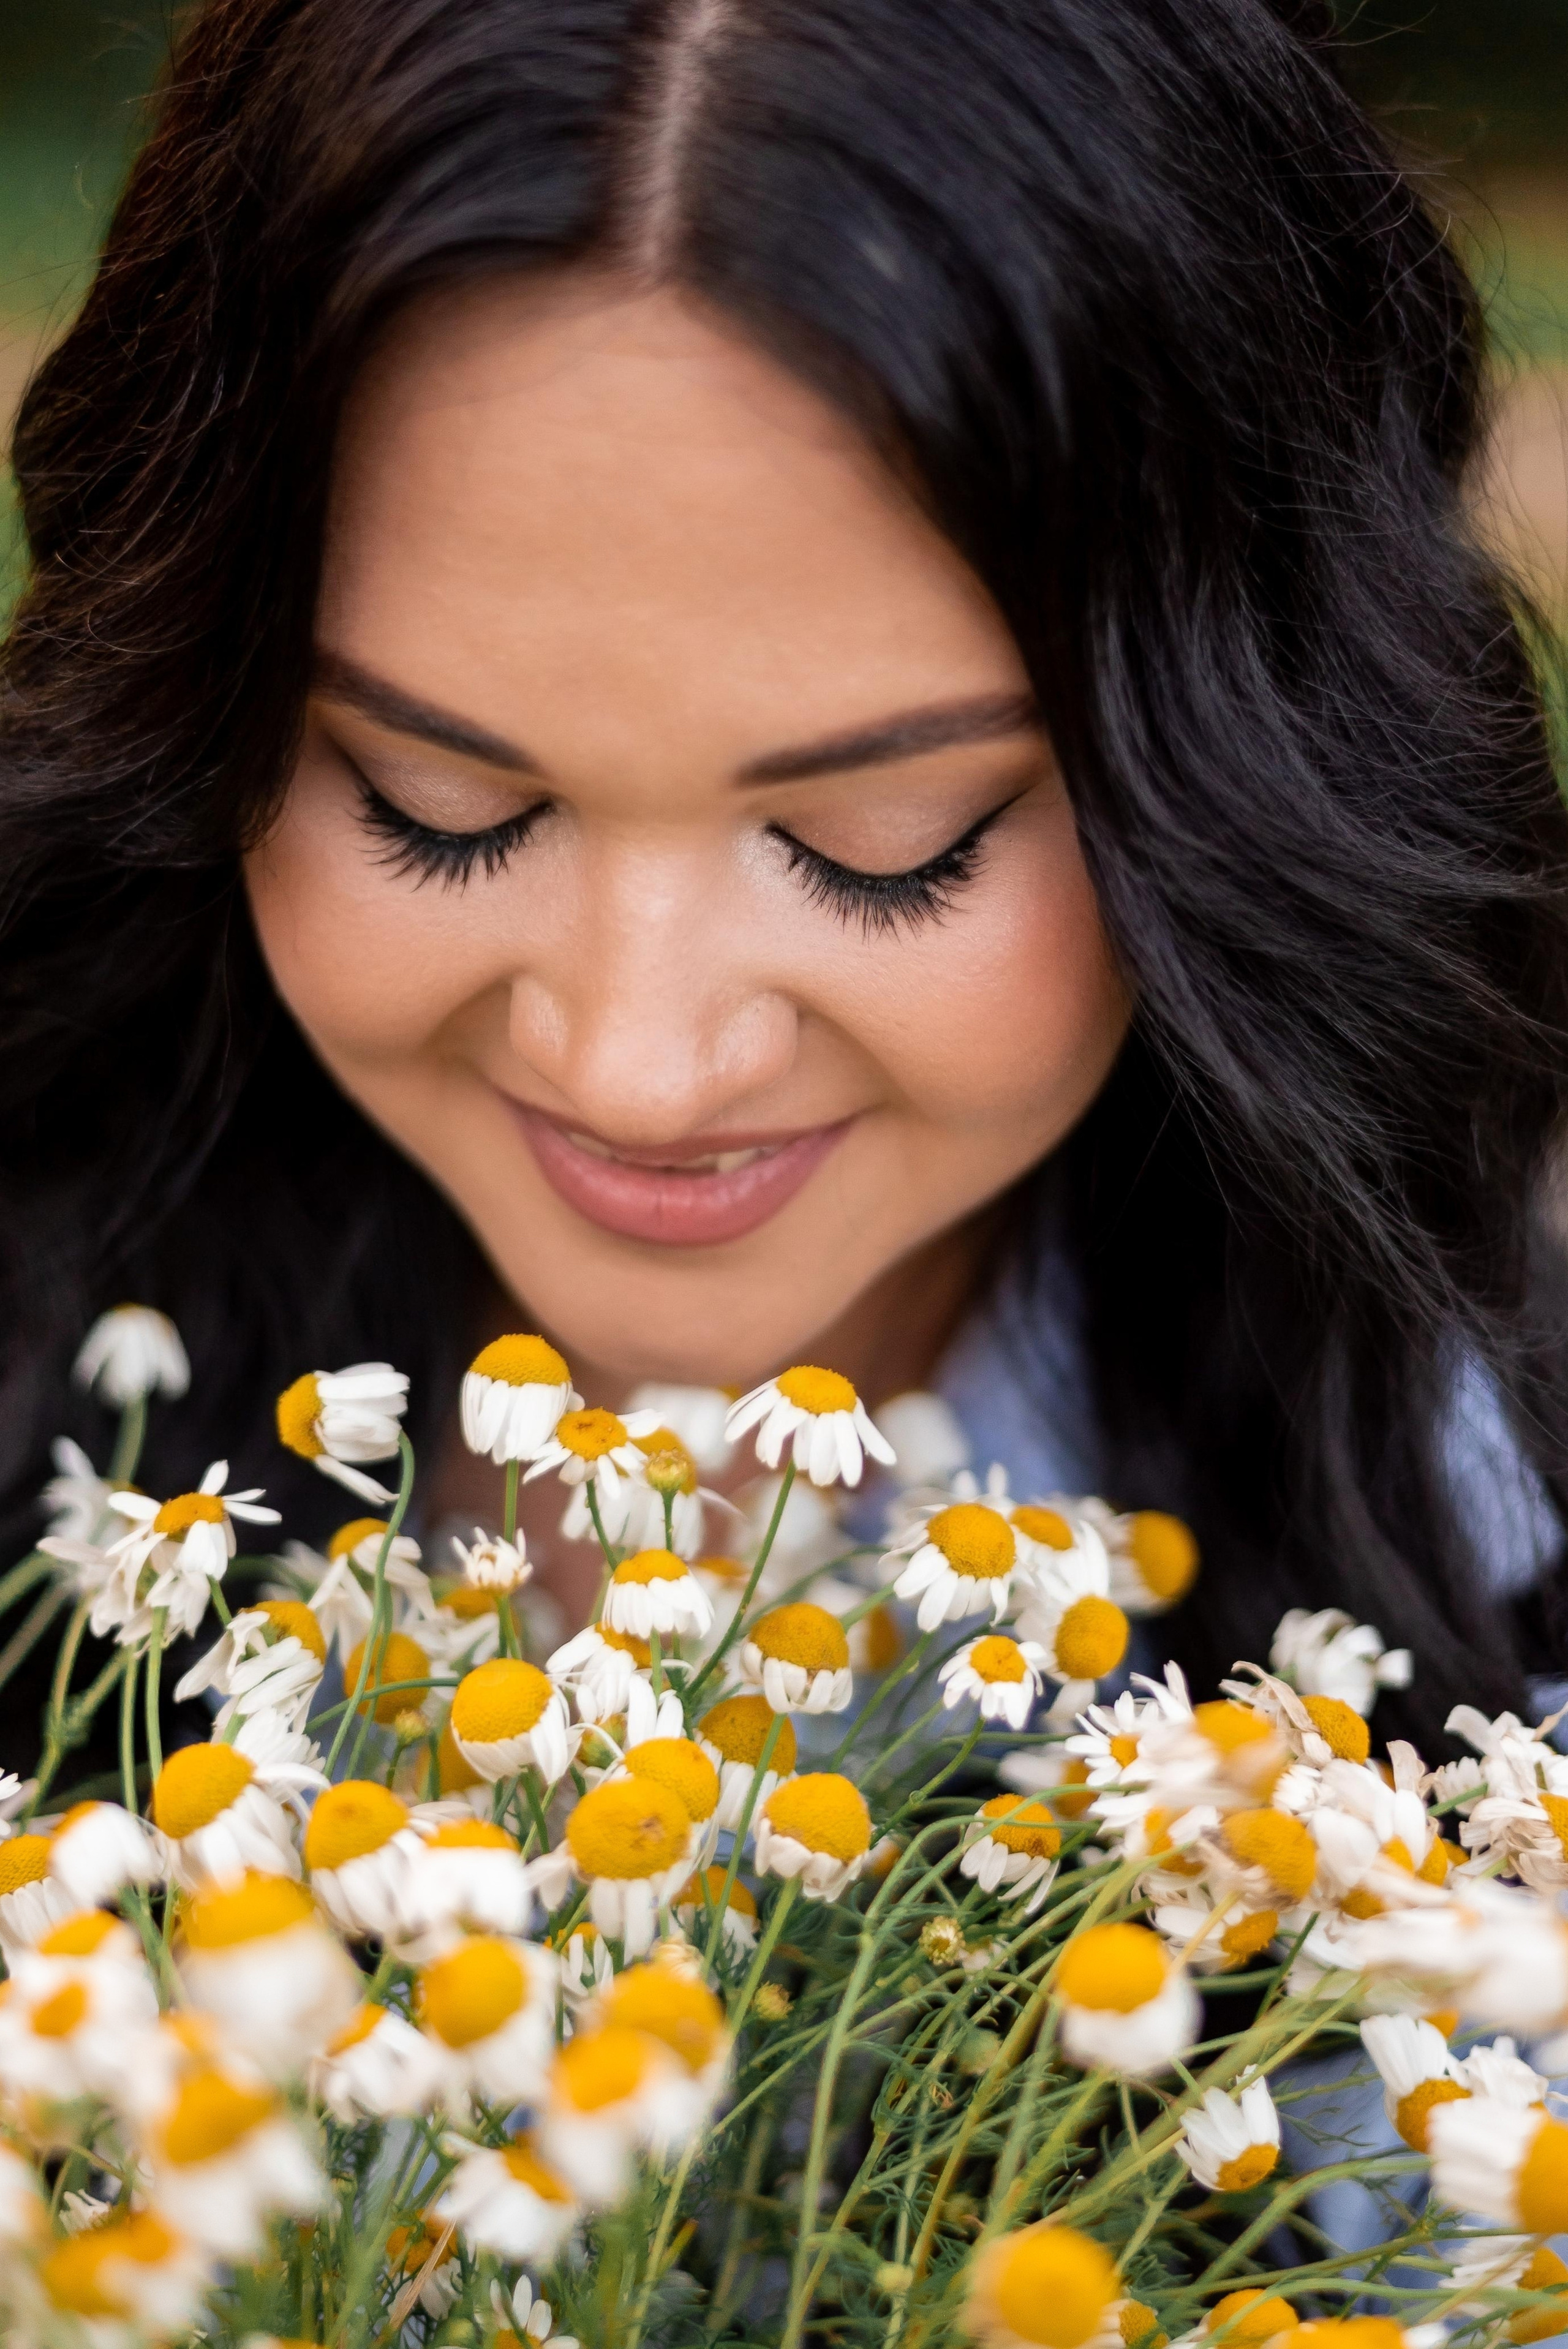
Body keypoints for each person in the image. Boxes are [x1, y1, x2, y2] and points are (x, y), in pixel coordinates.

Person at [1, 0, 1566, 1753]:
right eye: (434, 807)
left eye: (882, 848)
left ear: (1244, 782)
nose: (637, 1065)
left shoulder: (1510, 1571)